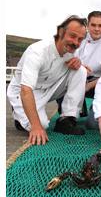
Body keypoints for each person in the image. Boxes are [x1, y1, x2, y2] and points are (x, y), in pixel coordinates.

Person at [7, 15, 87, 146]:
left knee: (81, 70)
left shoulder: (72, 51)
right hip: (25, 92)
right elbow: (26, 90)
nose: (76, 43)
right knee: (41, 126)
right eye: (72, 36)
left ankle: (66, 119)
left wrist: (78, 62)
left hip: (50, 87)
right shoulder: (37, 52)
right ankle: (19, 115)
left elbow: (72, 71)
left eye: (80, 39)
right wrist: (35, 125)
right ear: (61, 32)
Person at [57, 11, 101, 116]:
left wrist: (88, 86)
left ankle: (95, 108)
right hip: (75, 78)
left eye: (100, 25)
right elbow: (65, 61)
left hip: (98, 82)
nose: (96, 29)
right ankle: (67, 114)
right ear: (87, 25)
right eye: (93, 25)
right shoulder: (78, 39)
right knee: (61, 81)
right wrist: (80, 68)